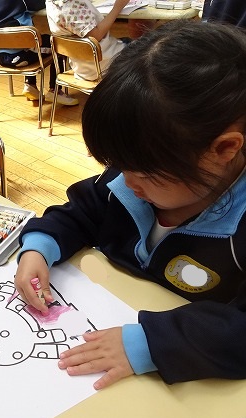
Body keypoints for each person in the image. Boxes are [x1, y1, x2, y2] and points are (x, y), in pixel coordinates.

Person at [14, 21, 246, 389]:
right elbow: (81, 212)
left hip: (185, 380)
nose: (126, 181)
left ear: (223, 149)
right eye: (120, 166)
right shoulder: (133, 176)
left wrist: (152, 343)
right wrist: (40, 247)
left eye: (145, 173)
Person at [0, 0, 78, 106]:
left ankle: (30, 85)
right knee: (59, 45)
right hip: (20, 55)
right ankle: (55, 90)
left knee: (31, 42)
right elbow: (39, 4)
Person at [45, 0, 129, 81]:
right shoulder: (71, 6)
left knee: (126, 40)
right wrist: (117, 7)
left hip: (80, 65)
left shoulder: (51, 3)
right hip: (101, 64)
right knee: (136, 48)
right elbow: (96, 35)